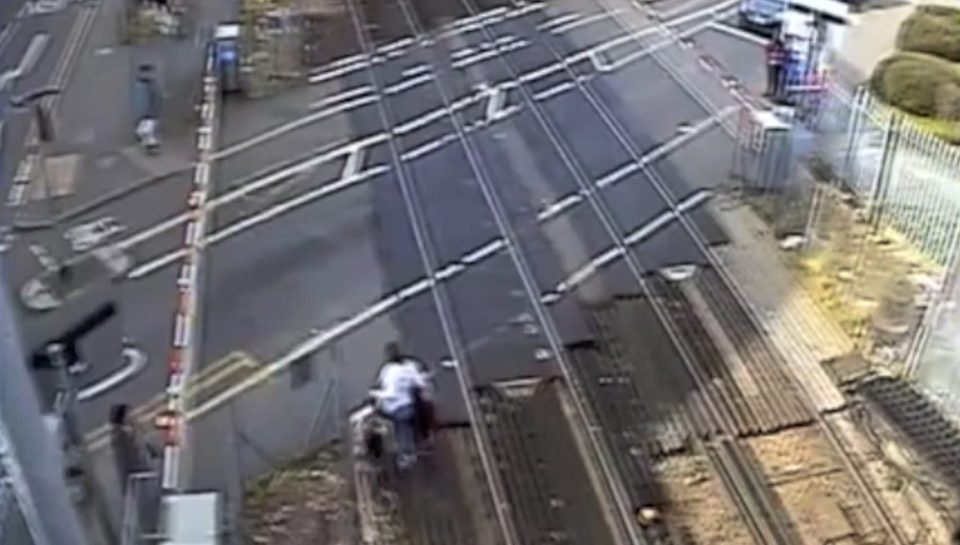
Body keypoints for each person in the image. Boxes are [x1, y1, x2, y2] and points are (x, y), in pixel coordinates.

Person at [370, 343, 430, 469]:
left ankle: (405, 455)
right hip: (409, 406)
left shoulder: (388, 371)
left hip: (395, 407)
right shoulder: (410, 366)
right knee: (407, 428)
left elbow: (390, 393)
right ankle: (415, 445)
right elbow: (420, 383)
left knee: (400, 430)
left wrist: (375, 393)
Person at [109, 403, 155, 495]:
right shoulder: (122, 436)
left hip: (141, 474)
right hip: (137, 477)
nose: (133, 415)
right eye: (129, 414)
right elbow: (132, 456)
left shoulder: (131, 431)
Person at [132, 64, 161, 151]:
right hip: (148, 113)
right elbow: (141, 102)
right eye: (150, 72)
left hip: (151, 113)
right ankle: (148, 142)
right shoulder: (142, 86)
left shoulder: (151, 84)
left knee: (148, 129)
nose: (152, 74)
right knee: (147, 129)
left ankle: (148, 142)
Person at [764, 33, 787, 100]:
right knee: (771, 78)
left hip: (777, 65)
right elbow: (766, 50)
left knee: (776, 79)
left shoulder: (782, 48)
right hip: (772, 63)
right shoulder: (771, 47)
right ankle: (769, 91)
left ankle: (773, 92)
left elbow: (784, 56)